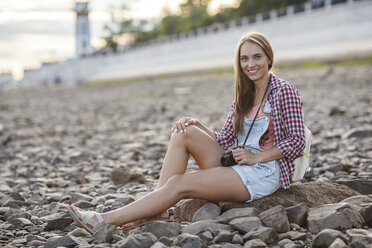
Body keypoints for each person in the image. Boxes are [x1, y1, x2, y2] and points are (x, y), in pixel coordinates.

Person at [67, 31, 306, 234]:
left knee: (179, 183)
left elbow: (297, 142)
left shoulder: (284, 91)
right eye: (244, 59)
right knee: (183, 132)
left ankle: (105, 220)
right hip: (238, 162)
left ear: (269, 59)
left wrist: (256, 157)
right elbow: (224, 140)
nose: (250, 64)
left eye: (257, 57)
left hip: (263, 172)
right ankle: (158, 208)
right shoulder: (243, 94)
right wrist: (197, 125)